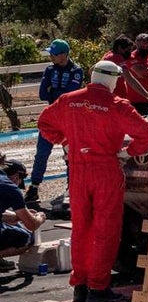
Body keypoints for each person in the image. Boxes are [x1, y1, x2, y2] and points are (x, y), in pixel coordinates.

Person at [37, 60, 148, 302]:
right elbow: (145, 133)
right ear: (114, 79)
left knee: (81, 229)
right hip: (105, 170)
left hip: (78, 171)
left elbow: (44, 122)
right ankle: (98, 287)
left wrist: (66, 143)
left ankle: (79, 284)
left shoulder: (68, 100)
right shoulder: (117, 105)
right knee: (106, 229)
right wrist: (129, 152)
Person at [25, 39, 84, 206]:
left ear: (64, 54)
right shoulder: (49, 69)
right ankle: (34, 188)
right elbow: (43, 94)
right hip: (51, 118)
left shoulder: (76, 70)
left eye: (53, 53)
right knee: (41, 153)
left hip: (68, 119)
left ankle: (71, 187)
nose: (50, 56)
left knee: (70, 154)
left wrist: (54, 91)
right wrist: (55, 93)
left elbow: (68, 95)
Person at [0, 159, 44, 271]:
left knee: (13, 225)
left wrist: (18, 216)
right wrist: (39, 218)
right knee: (27, 239)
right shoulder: (10, 187)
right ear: (16, 176)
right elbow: (32, 225)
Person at [124, 33, 148, 116]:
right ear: (136, 44)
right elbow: (143, 73)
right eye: (143, 47)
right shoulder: (130, 56)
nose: (145, 49)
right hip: (136, 100)